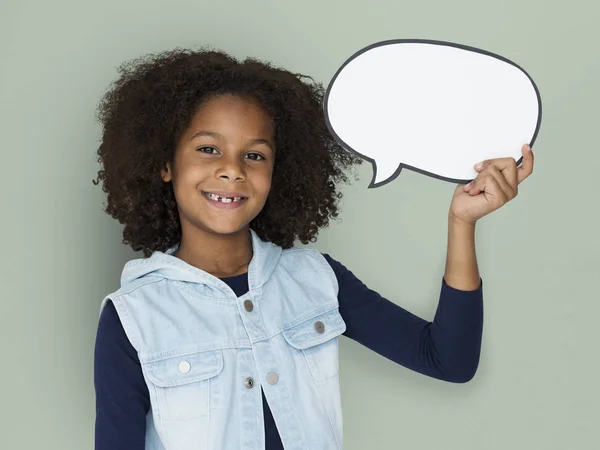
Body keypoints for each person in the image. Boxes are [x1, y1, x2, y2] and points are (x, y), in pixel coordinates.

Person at [93, 48, 534, 450]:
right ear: (166, 164)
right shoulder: (133, 316)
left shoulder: (316, 279)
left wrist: (462, 222)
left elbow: (449, 360)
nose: (231, 171)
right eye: (209, 149)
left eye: (255, 155)